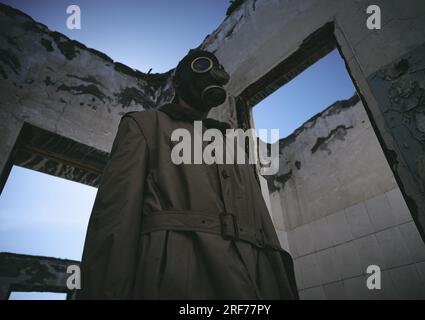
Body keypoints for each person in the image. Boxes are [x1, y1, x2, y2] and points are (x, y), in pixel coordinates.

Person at [77, 50, 299, 299]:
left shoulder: (231, 144)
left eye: (218, 67)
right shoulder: (144, 125)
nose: (214, 73)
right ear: (178, 81)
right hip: (179, 282)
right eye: (203, 65)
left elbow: (263, 223)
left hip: (254, 285)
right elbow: (114, 222)